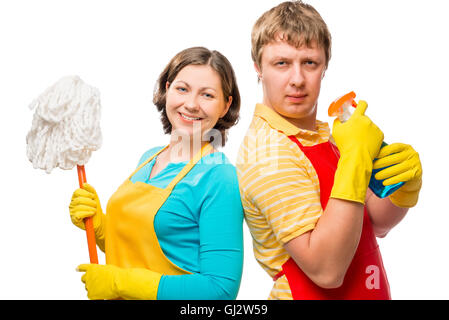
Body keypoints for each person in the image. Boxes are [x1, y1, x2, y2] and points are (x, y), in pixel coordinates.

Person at [236, 1, 422, 300]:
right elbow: (326, 270)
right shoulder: (267, 152)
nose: (297, 79)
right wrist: (356, 157)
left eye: (309, 62)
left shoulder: (327, 135)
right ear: (258, 67)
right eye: (281, 63)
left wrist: (402, 190)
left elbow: (374, 223)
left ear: (325, 66)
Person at [69, 47, 244, 300]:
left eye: (207, 95)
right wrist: (100, 227)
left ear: (226, 105)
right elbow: (139, 250)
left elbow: (219, 291)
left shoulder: (219, 177)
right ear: (168, 88)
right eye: (182, 89)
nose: (191, 104)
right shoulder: (149, 159)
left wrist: (120, 282)